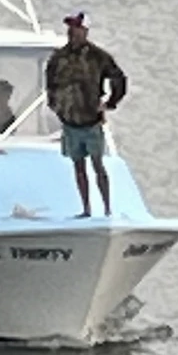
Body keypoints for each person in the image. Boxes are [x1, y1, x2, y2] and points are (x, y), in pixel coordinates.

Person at [45, 12, 128, 218]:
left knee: (98, 165)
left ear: (85, 31)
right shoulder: (58, 58)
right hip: (70, 122)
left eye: (77, 29)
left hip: (91, 122)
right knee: (78, 167)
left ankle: (108, 209)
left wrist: (110, 103)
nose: (72, 33)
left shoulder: (98, 57)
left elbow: (119, 79)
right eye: (70, 29)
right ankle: (86, 209)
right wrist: (56, 105)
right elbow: (50, 84)